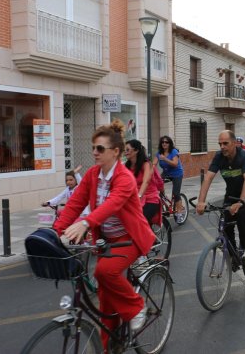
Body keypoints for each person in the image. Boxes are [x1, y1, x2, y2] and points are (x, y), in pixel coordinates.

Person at [53, 119, 155, 349]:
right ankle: (111, 346)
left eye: (100, 148)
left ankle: (137, 307)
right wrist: (56, 231)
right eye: (93, 148)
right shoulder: (92, 175)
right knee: (106, 301)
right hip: (106, 241)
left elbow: (113, 204)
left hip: (130, 238)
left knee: (104, 271)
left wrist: (86, 224)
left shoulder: (124, 177)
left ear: (115, 152)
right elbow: (74, 204)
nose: (94, 152)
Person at [197, 130, 245, 261]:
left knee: (242, 213)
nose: (222, 147)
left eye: (225, 143)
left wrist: (241, 202)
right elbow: (208, 178)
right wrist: (201, 201)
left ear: (234, 143)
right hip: (232, 194)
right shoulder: (219, 157)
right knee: (225, 222)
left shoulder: (243, 156)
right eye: (220, 144)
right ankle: (233, 256)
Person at [125, 139, 160, 227]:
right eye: (124, 150)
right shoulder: (126, 166)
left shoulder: (146, 164)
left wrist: (139, 195)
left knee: (140, 223)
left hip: (150, 199)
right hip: (134, 199)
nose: (125, 152)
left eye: (128, 150)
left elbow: (146, 181)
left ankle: (148, 239)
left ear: (136, 151)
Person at [153, 135, 184, 223]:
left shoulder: (173, 151)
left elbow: (175, 164)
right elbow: (154, 164)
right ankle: (165, 200)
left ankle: (179, 214)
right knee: (156, 186)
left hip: (177, 173)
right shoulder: (159, 152)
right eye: (162, 142)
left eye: (166, 142)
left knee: (176, 193)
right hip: (166, 173)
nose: (164, 144)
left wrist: (165, 159)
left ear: (169, 143)